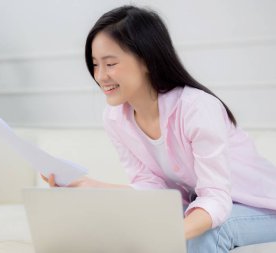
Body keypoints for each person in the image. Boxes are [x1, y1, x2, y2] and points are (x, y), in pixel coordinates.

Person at [42, 5, 276, 252]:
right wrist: (92, 186)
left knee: (209, 232)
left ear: (146, 60)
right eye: (95, 64)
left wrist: (167, 233)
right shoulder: (115, 118)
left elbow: (216, 197)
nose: (100, 76)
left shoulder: (197, 108)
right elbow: (150, 186)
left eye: (110, 64)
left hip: (262, 206)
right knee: (128, 219)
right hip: (205, 203)